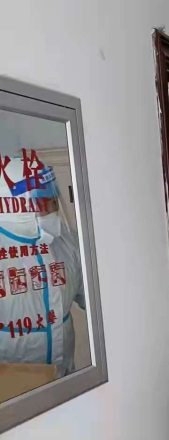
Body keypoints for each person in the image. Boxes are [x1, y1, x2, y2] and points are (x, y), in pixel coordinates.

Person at [0, 155, 85, 378]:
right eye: (43, 199)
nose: (52, 205)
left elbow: (95, 298)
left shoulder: (66, 241)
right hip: (13, 386)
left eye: (52, 197)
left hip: (65, 374)